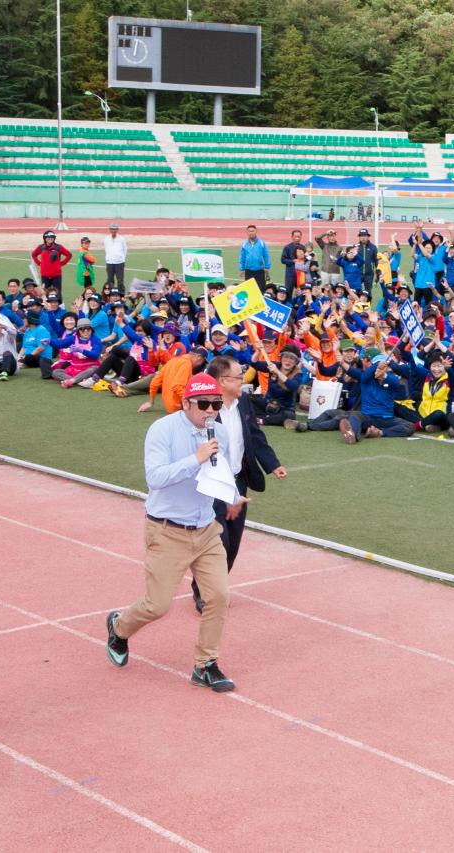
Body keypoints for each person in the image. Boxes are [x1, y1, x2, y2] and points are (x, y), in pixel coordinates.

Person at [105, 372, 248, 693]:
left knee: (219, 597)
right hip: (167, 530)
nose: (211, 411)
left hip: (206, 529)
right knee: (157, 606)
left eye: (215, 404)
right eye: (204, 404)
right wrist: (193, 459)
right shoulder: (162, 430)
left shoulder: (219, 435)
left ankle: (205, 664)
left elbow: (219, 472)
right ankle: (119, 626)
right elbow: (155, 477)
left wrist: (232, 496)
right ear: (186, 403)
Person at [187, 356, 287, 613]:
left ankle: (211, 586)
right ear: (222, 381)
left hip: (238, 481)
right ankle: (206, 592)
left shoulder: (243, 405)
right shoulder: (205, 409)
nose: (243, 382)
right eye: (238, 378)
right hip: (213, 483)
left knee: (235, 541)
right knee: (219, 541)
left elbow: (254, 434)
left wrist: (272, 464)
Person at [280, 229, 306, 296]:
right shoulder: (287, 247)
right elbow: (283, 260)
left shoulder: (303, 247)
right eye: (296, 236)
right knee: (288, 292)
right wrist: (292, 261)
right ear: (292, 237)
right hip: (290, 274)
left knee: (302, 292)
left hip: (301, 274)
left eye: (299, 236)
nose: (297, 238)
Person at [104, 223, 128, 292]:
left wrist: (121, 258)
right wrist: (108, 258)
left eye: (115, 229)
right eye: (112, 229)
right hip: (109, 262)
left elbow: (125, 249)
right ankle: (109, 294)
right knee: (109, 280)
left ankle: (121, 294)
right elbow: (106, 249)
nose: (113, 231)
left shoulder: (122, 239)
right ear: (110, 230)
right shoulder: (106, 239)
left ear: (117, 230)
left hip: (119, 262)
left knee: (120, 280)